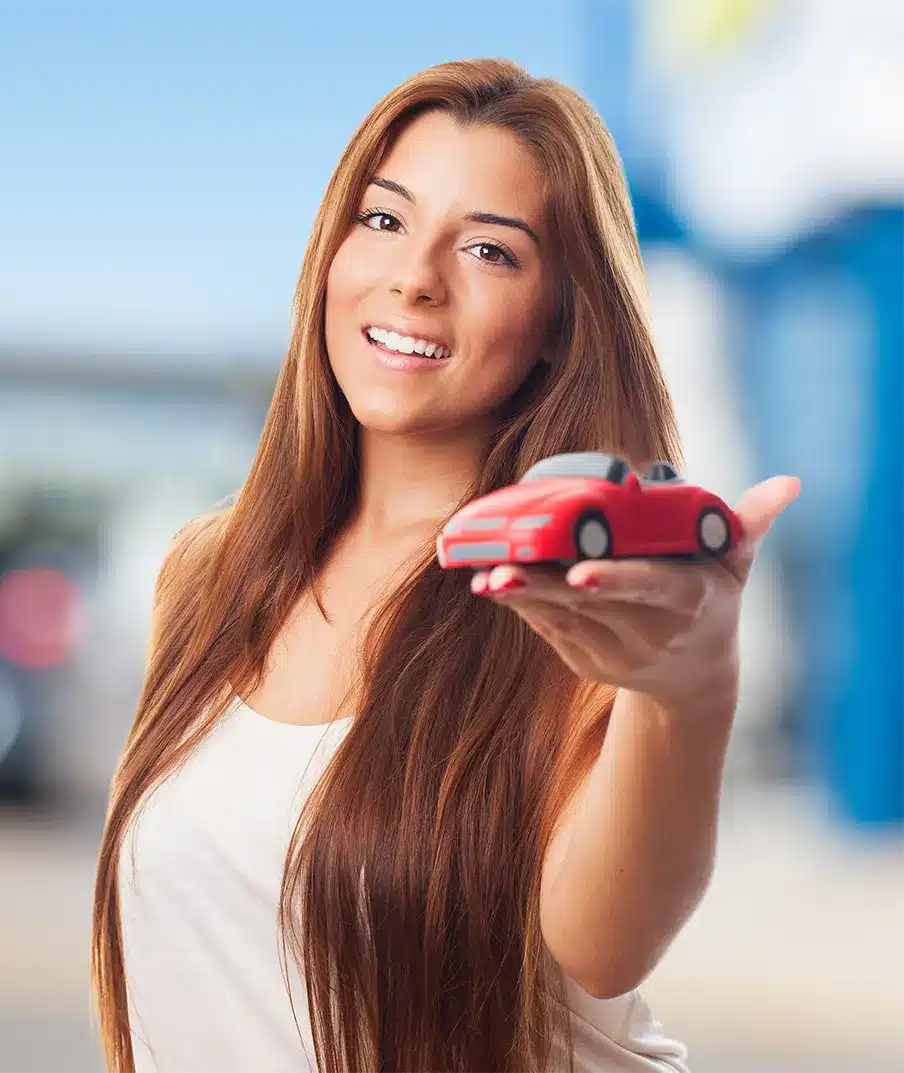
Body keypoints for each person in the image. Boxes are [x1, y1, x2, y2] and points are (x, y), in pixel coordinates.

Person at [90, 59, 799, 1073]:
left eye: (486, 250)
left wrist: (682, 692)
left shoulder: (567, 600)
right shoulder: (206, 577)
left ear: (561, 322)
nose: (415, 276)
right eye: (383, 221)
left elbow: (604, 944)